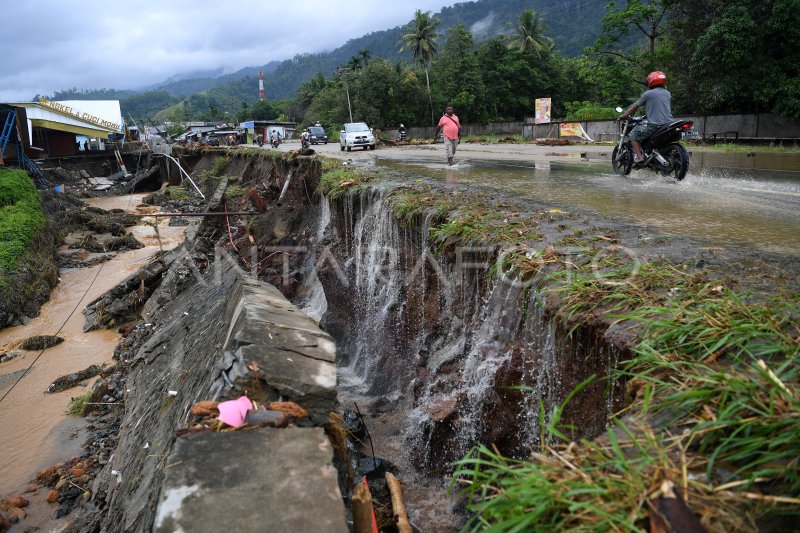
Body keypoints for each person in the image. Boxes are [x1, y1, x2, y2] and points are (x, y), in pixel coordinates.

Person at [617, 71, 674, 165]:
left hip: (655, 125)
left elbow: (633, 109)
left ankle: (640, 157)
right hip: (669, 124)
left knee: (633, 135)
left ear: (650, 81)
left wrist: (623, 116)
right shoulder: (667, 93)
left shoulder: (648, 94)